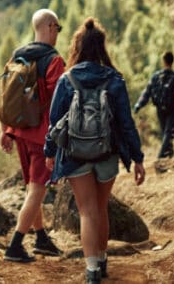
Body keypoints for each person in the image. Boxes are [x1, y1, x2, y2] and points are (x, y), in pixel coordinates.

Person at [45, 18, 145, 284]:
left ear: (77, 46)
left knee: (86, 211)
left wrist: (49, 152)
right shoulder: (114, 79)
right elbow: (126, 123)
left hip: (75, 154)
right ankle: (101, 261)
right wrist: (137, 158)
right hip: (107, 152)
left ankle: (91, 272)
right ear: (102, 47)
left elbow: (55, 121)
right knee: (100, 208)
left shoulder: (67, 79)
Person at [0, 8, 66, 262]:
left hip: (20, 132)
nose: (57, 34)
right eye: (57, 29)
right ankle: (15, 246)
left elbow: (5, 95)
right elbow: (60, 100)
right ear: (50, 27)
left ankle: (41, 238)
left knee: (31, 187)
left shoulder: (17, 54)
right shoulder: (53, 60)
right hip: (42, 137)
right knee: (37, 190)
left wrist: (5, 130)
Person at [134, 51, 174, 159]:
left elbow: (147, 92)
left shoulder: (156, 76)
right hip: (173, 109)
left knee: (167, 134)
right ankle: (164, 158)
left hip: (160, 110)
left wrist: (138, 105)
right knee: (168, 134)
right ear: (172, 61)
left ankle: (164, 159)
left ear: (163, 61)